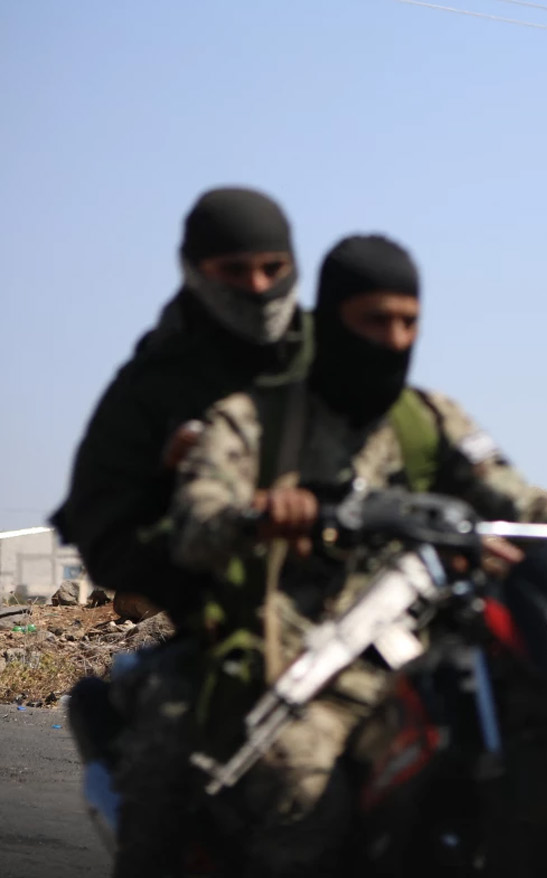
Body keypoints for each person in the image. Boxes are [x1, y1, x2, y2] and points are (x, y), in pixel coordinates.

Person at [169, 233, 547, 875]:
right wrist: (274, 512)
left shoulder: (428, 417)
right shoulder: (258, 417)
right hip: (302, 650)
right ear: (333, 317)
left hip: (427, 642)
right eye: (376, 320)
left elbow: (517, 502)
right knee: (300, 797)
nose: (395, 338)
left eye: (408, 322)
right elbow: (196, 520)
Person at [50, 186, 309, 878]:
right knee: (173, 764)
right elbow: (99, 524)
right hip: (224, 627)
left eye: (271, 268)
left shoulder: (331, 361)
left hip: (354, 611)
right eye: (234, 271)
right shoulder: (151, 385)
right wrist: (195, 538)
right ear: (195, 270)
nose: (257, 288)